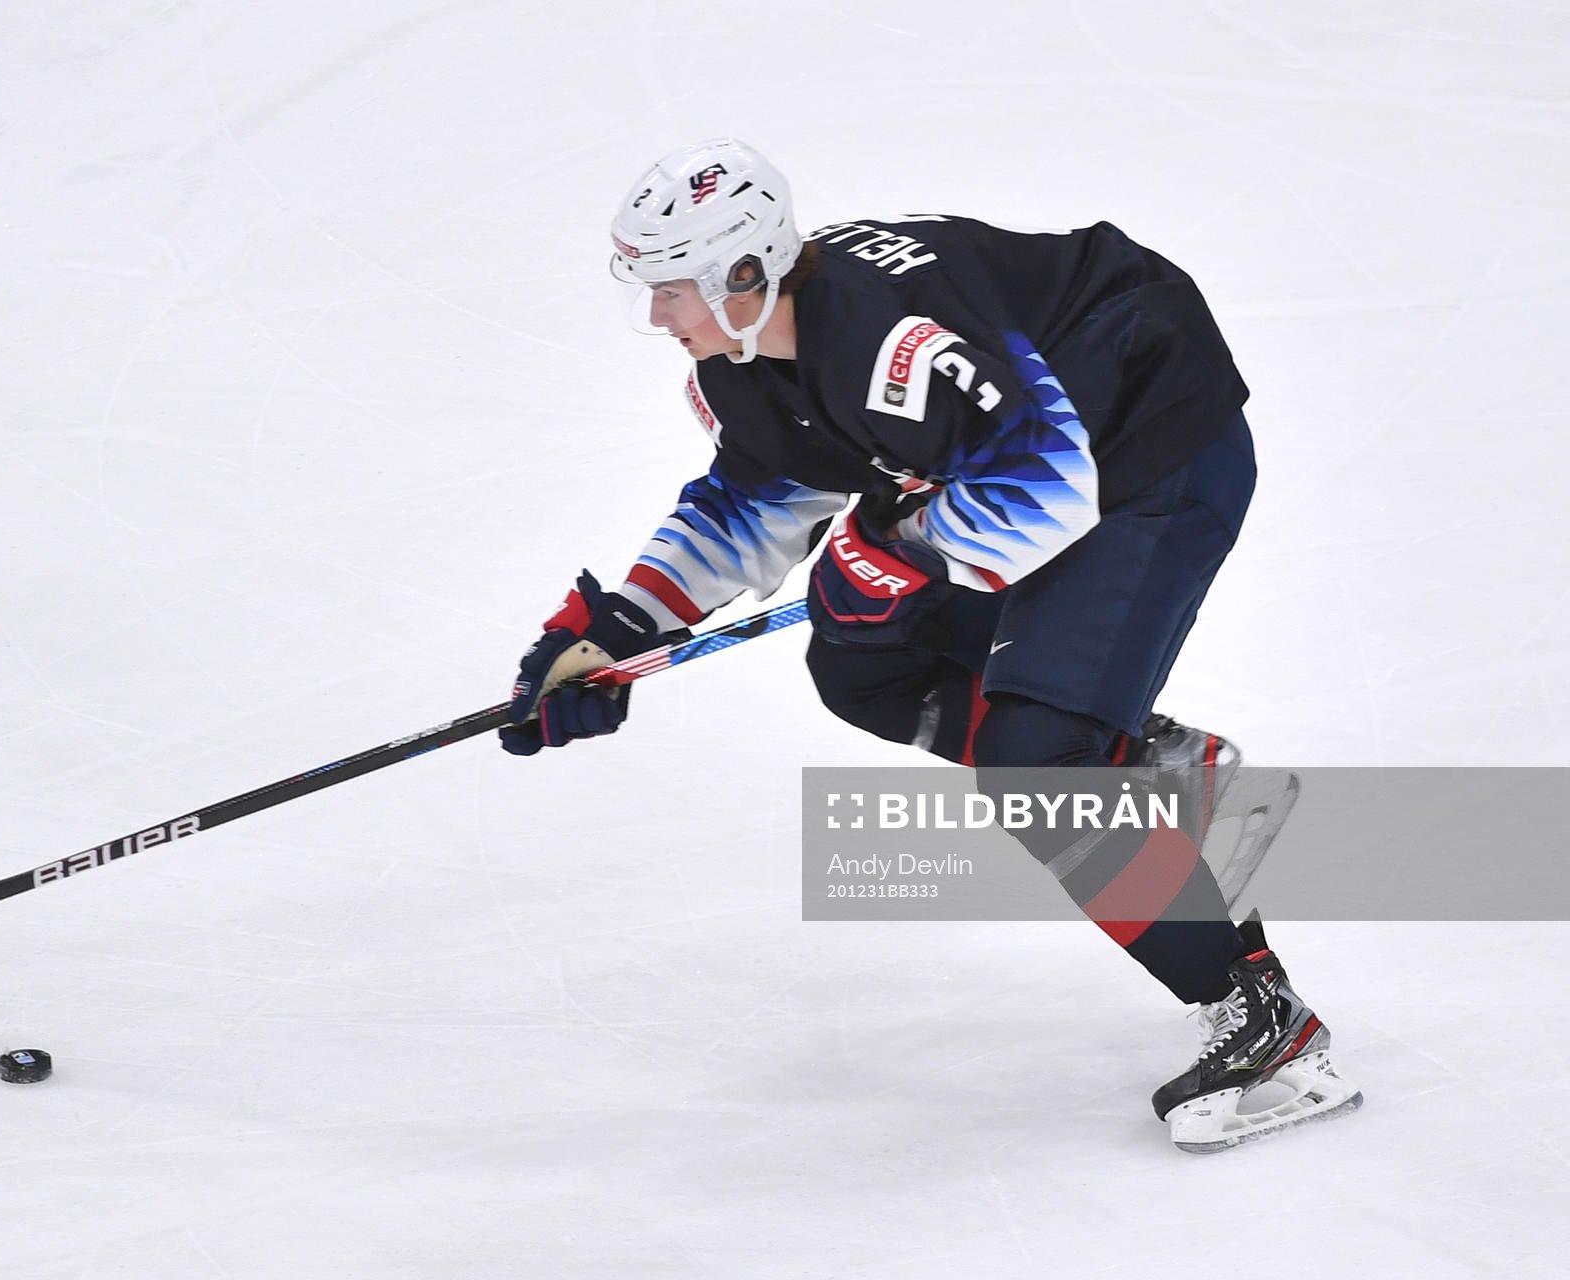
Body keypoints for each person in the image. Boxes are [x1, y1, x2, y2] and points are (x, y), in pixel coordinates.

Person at [499, 138, 1360, 1151]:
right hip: (1051, 446)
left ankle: (1263, 1020)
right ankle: (1152, 774)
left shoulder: (888, 343)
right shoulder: (746, 357)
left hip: (1151, 442)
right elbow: (753, 500)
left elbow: (1043, 490)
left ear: (745, 273)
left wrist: (888, 546)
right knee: (863, 660)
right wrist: (617, 627)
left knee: (1039, 764)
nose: (656, 316)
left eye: (673, 288)